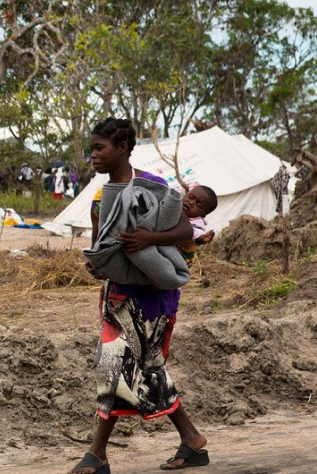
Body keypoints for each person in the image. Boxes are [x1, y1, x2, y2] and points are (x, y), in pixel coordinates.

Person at [70, 117, 208, 474]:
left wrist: (149, 239)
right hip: (117, 296)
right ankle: (191, 439)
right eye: (93, 148)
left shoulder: (153, 187)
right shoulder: (100, 199)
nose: (93, 155)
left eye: (100, 148)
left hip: (152, 298)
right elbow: (102, 247)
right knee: (137, 367)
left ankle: (97, 454)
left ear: (123, 149)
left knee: (120, 366)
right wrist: (97, 267)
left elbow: (183, 229)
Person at [176, 185, 219, 267]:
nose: (191, 203)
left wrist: (202, 238)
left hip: (179, 257)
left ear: (203, 215)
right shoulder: (174, 205)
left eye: (198, 205)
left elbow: (195, 232)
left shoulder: (196, 221)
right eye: (191, 197)